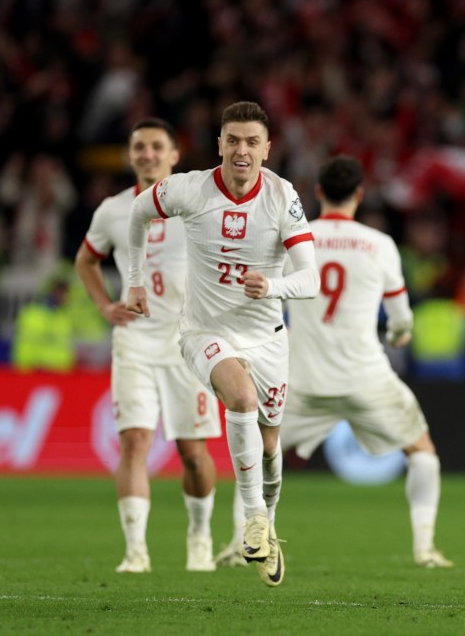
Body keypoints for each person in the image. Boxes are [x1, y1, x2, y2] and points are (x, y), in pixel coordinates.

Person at [215, 155, 452, 569]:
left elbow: (262, 297)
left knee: (256, 449)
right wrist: (399, 334)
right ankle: (425, 548)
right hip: (365, 377)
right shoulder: (379, 244)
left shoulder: (292, 239)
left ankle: (240, 543)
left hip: (300, 377)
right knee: (422, 450)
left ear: (319, 193)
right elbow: (400, 320)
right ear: (359, 195)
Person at [125, 102, 320, 587]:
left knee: (271, 445)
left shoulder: (282, 196)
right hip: (204, 332)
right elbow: (138, 211)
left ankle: (266, 526)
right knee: (242, 398)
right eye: (232, 139)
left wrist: (270, 287)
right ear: (219, 144)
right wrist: (134, 281)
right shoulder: (189, 188)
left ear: (267, 148)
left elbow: (311, 278)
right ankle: (254, 518)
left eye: (252, 141)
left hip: (268, 337)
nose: (241, 150)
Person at [74, 118, 222, 573]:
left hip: (187, 339)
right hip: (135, 339)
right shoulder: (113, 210)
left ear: (175, 156)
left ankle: (199, 534)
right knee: (134, 443)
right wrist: (103, 305)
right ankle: (135, 550)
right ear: (130, 155)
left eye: (157, 147)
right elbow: (86, 260)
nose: (148, 154)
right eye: (139, 147)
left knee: (193, 454)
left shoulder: (197, 203)